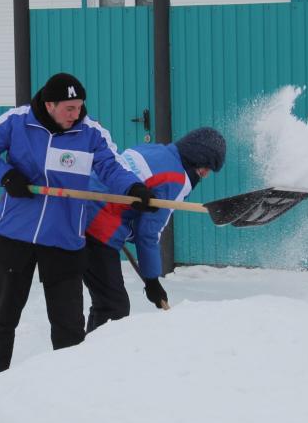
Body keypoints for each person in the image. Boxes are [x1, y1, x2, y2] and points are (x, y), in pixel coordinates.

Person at [0, 72, 154, 386]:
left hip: (65, 237)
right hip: (16, 233)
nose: (76, 114)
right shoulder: (17, 122)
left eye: (80, 106)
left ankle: (67, 388)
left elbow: (110, 165)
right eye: (69, 108)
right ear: (50, 104)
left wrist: (134, 188)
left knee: (67, 322)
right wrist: (6, 175)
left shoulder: (90, 132)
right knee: (2, 315)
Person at [82, 127, 227, 332]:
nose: (206, 174)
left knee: (106, 302)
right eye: (207, 167)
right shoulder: (176, 180)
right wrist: (152, 281)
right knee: (114, 308)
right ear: (197, 158)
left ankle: (87, 354)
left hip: (81, 209)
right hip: (98, 227)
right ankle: (94, 360)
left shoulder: (154, 151)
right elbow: (148, 233)